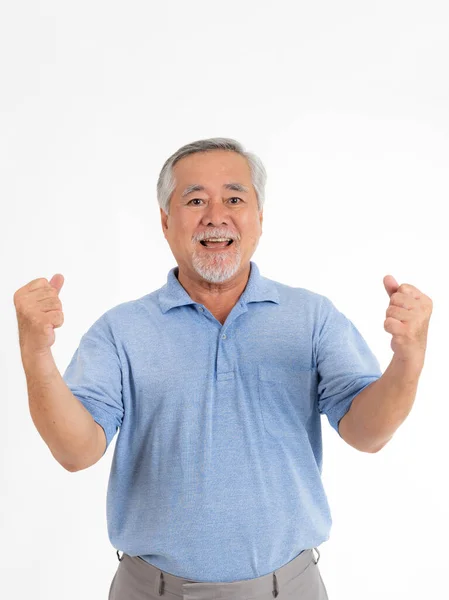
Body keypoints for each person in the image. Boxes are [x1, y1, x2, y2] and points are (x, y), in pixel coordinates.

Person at [14, 137, 432, 599]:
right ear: (165, 220)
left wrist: (408, 355)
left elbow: (367, 434)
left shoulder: (313, 317)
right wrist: (36, 353)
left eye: (235, 198)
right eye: (195, 200)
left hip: (287, 589)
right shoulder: (121, 330)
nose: (216, 215)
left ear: (258, 218)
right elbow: (76, 452)